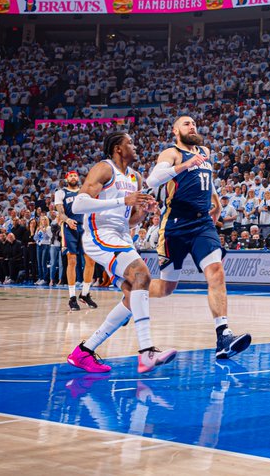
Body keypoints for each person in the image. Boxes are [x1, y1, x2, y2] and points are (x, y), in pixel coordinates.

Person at [66, 131, 176, 375]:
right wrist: (122, 201)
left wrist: (144, 210)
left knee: (131, 295)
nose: (135, 146)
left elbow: (130, 221)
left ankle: (84, 351)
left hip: (121, 236)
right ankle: (146, 352)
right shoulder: (104, 169)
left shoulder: (135, 177)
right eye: (131, 142)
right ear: (117, 148)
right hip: (99, 234)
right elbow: (78, 205)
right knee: (142, 275)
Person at [146, 116, 251, 361]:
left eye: (193, 123)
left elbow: (206, 181)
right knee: (165, 288)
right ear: (175, 130)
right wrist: (186, 164)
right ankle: (134, 290)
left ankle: (223, 335)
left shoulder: (204, 151)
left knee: (216, 270)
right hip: (175, 225)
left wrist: (215, 202)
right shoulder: (171, 153)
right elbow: (152, 181)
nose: (192, 126)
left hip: (202, 223)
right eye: (186, 124)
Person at [55, 170, 98, 311]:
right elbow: (60, 212)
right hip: (69, 227)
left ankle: (85, 294)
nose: (73, 177)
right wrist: (67, 220)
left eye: (75, 175)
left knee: (90, 261)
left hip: (85, 228)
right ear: (67, 179)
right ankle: (72, 297)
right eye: (70, 175)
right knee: (72, 260)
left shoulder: (84, 192)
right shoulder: (61, 192)